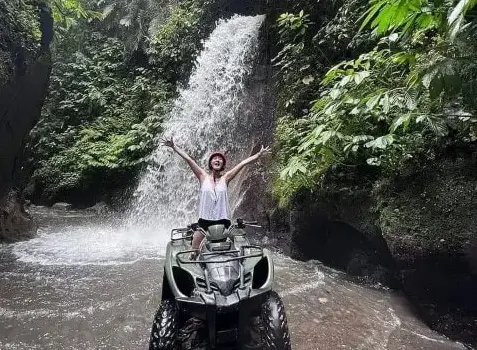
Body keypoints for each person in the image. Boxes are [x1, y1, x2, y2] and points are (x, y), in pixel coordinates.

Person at [162, 137, 270, 255]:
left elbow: (242, 163)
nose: (217, 160)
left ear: (223, 164)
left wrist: (258, 155)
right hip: (204, 223)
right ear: (210, 163)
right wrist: (174, 147)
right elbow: (189, 160)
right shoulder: (203, 177)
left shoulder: (226, 178)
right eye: (215, 158)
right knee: (193, 252)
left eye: (220, 159)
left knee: (235, 252)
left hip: (223, 222)